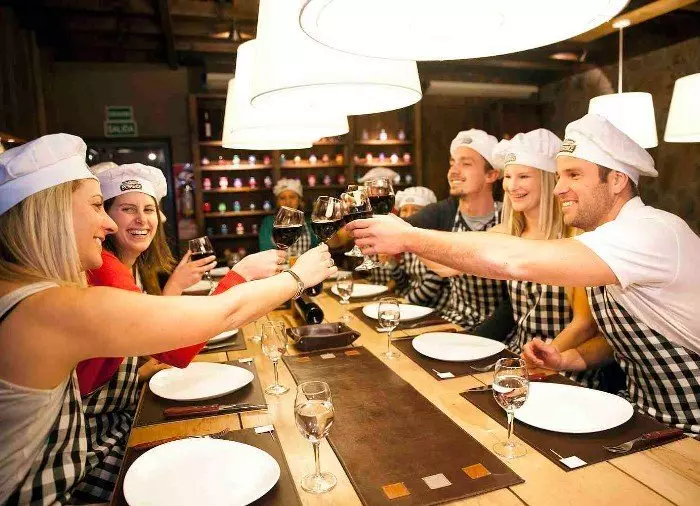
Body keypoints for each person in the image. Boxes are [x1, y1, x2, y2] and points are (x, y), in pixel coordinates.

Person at [0, 134, 336, 504]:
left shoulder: (26, 294)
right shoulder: (48, 308)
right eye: (98, 206)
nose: (108, 224)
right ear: (52, 214)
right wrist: (296, 277)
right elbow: (222, 314)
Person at [347, 114, 700, 433]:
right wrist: (565, 358)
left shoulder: (652, 231)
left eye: (574, 175)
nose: (559, 188)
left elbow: (513, 260)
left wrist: (408, 237)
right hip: (643, 413)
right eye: (559, 176)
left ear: (618, 180)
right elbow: (617, 341)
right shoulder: (603, 240)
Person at [72, 162, 285, 502]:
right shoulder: (107, 270)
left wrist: (143, 370)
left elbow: (149, 343)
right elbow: (176, 349)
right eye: (127, 209)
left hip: (117, 414)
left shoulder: (126, 266)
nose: (142, 220)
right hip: (94, 441)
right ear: (107, 218)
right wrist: (242, 275)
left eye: (148, 209)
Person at [405, 129, 507, 328]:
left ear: (491, 174)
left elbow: (511, 306)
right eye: (452, 163)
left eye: (466, 164)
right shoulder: (444, 212)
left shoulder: (508, 218)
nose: (453, 171)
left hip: (496, 331)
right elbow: (403, 227)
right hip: (452, 321)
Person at [387, 186, 444, 306]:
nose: (409, 215)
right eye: (404, 210)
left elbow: (430, 287)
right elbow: (403, 283)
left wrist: (403, 303)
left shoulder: (436, 241)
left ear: (428, 214)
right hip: (412, 305)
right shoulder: (407, 242)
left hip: (434, 309)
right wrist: (392, 263)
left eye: (416, 210)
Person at [259, 178, 318, 257]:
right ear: (277, 202)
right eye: (282, 198)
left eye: (292, 197)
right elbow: (265, 253)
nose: (288, 202)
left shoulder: (308, 222)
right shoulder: (268, 222)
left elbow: (316, 251)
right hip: (279, 264)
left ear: (299, 200)